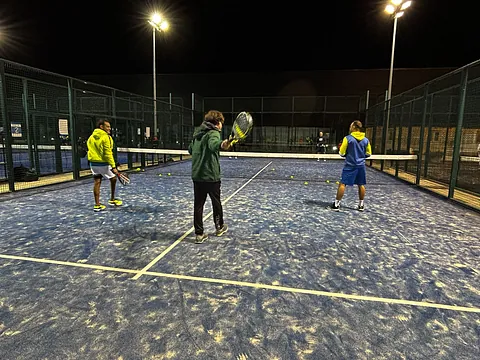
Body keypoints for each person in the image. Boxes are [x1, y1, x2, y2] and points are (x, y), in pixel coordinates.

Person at [188, 110, 232, 243]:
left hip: (197, 176)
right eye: (221, 123)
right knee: (216, 202)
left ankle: (199, 234)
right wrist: (224, 144)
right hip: (211, 176)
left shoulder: (197, 134)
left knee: (198, 205)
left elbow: (190, 149)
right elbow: (215, 145)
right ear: (217, 123)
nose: (221, 126)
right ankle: (219, 228)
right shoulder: (213, 133)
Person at [330, 120, 371, 212]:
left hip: (350, 165)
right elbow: (368, 153)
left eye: (351, 126)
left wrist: (347, 154)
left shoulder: (347, 139)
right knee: (361, 184)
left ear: (354, 127)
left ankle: (336, 204)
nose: (350, 127)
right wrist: (360, 156)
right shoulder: (366, 140)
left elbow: (342, 152)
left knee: (342, 184)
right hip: (361, 166)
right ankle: (361, 205)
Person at [87, 118, 123, 212]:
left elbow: (89, 148)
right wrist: (114, 167)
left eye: (110, 126)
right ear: (101, 127)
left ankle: (97, 205)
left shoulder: (91, 137)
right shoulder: (106, 137)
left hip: (93, 164)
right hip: (103, 164)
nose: (109, 128)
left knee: (97, 182)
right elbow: (108, 153)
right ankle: (112, 199)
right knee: (113, 178)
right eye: (107, 126)